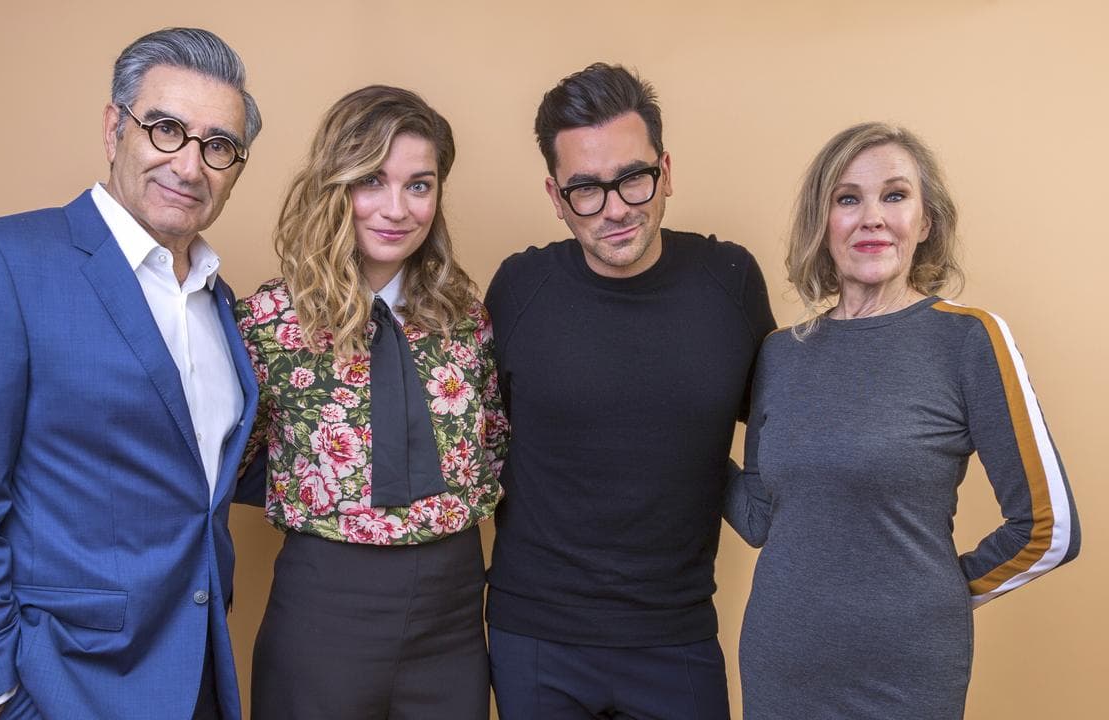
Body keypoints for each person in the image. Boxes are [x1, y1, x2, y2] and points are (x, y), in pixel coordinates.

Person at [0, 28, 262, 720]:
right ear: (113, 128)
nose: (190, 167)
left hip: (199, 679)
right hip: (60, 688)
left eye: (218, 146)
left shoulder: (219, 302)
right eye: (165, 130)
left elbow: (197, 478)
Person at [724, 121, 1081, 719]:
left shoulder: (969, 341)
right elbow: (762, 518)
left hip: (906, 674)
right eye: (847, 198)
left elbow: (1050, 528)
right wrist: (682, 443)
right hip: (780, 663)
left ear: (925, 222)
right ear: (823, 221)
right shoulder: (781, 354)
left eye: (894, 195)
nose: (871, 217)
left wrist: (935, 596)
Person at [484, 63, 776, 719]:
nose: (615, 208)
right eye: (585, 189)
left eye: (634, 179)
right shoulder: (519, 291)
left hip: (676, 633)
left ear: (666, 172)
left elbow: (788, 436)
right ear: (557, 198)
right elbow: (470, 437)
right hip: (536, 632)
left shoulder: (729, 282)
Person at [234, 85, 507, 719]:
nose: (396, 209)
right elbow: (229, 461)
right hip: (323, 613)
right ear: (337, 184)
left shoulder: (466, 319)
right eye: (373, 182)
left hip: (453, 616)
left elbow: (494, 443)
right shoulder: (271, 322)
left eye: (419, 185)